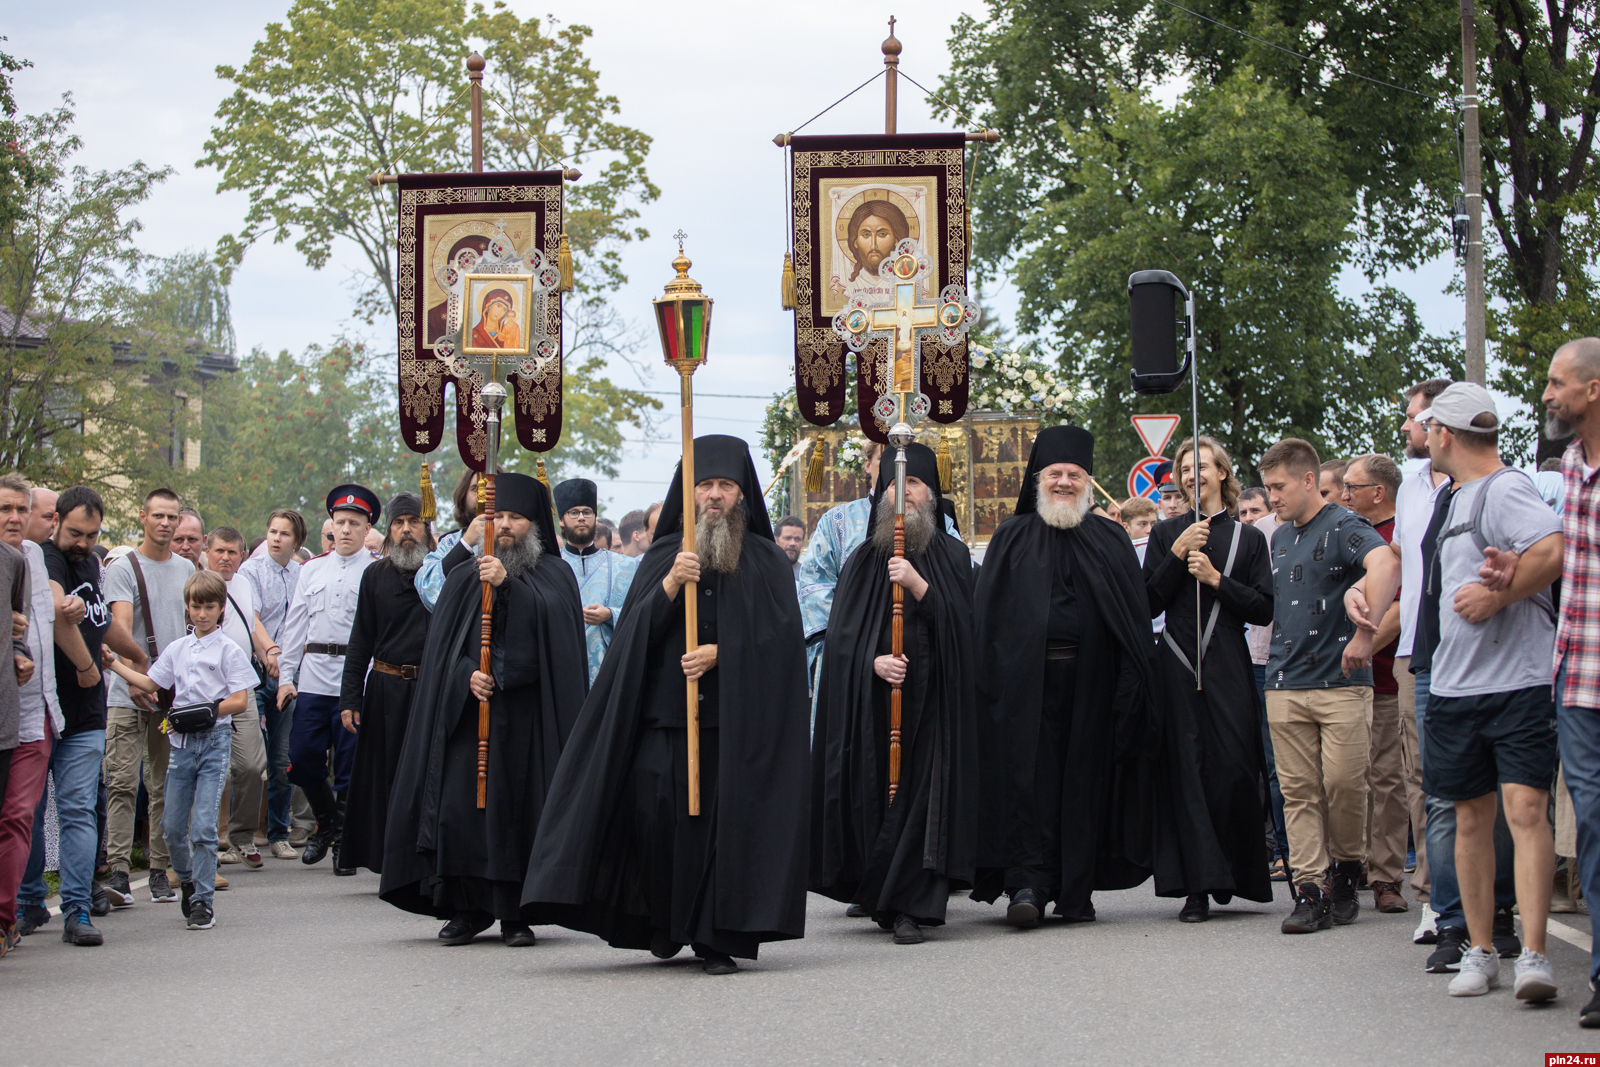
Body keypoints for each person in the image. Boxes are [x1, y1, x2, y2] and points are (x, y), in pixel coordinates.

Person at [522, 436, 810, 975]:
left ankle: (714, 938)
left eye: (726, 486)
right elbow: (632, 636)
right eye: (706, 486)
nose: (716, 496)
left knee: (720, 829)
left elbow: (782, 645)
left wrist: (724, 652)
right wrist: (672, 585)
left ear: (742, 493)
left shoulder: (767, 559)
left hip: (734, 723)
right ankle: (664, 922)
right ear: (690, 492)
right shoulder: (664, 554)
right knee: (657, 821)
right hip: (665, 719)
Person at [382, 474, 586, 947]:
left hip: (526, 721)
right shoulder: (460, 577)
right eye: (498, 517)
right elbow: (441, 655)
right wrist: (464, 676)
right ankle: (467, 908)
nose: (506, 526)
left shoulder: (555, 576)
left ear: (534, 525)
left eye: (516, 518)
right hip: (467, 718)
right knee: (462, 811)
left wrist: (509, 588)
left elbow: (551, 637)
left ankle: (516, 913)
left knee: (518, 814)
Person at [970, 426, 1159, 926]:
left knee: (1083, 784)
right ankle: (1027, 885)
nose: (1064, 482)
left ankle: (1076, 890)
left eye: (1074, 475)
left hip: (1092, 684)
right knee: (1027, 782)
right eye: (1055, 473)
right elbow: (987, 621)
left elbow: (1131, 619)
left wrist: (1129, 688)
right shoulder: (1012, 537)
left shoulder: (1110, 537)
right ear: (1038, 479)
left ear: (1088, 483)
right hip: (1022, 688)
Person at [1411, 383, 1561, 1001]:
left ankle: (1533, 956)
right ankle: (1479, 950)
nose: (1417, 438)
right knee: (1469, 820)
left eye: (1424, 428)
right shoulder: (1453, 495)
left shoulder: (1506, 486)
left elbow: (1553, 548)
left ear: (1445, 434)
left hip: (1518, 683)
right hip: (1452, 685)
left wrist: (1502, 592)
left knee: (1525, 814)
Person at [809, 443, 978, 944]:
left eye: (914, 485)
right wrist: (872, 662)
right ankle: (876, 884)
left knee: (926, 796)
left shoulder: (952, 555)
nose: (902, 496)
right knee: (874, 791)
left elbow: (968, 631)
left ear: (931, 493)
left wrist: (920, 588)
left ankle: (911, 903)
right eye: (891, 487)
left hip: (934, 706)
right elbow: (840, 641)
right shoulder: (863, 559)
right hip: (876, 705)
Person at [1259, 438, 1399, 934]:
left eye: (1278, 487)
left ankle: (1346, 867)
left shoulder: (1345, 525)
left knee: (1343, 785)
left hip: (1341, 681)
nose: (1271, 497)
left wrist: (1368, 631)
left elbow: (1386, 564)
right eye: (1266, 487)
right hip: (1283, 680)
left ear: (1307, 480)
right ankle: (1310, 889)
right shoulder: (1277, 537)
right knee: (1297, 791)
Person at [1143, 436, 1274, 922]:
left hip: (1227, 662)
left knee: (1233, 766)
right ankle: (1195, 885)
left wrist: (1218, 580)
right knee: (1185, 770)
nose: (1192, 475)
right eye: (1183, 468)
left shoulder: (1250, 537)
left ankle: (1231, 873)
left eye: (1201, 466)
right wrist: (1177, 554)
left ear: (1222, 472)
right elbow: (1147, 603)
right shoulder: (1167, 534)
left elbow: (1263, 608)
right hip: (1175, 662)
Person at [106, 571, 258, 932]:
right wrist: (113, 663)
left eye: (209, 607)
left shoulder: (229, 650)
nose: (202, 614)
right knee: (172, 827)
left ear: (221, 609)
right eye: (195, 607)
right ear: (187, 608)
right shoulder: (177, 648)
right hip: (180, 745)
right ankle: (188, 880)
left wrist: (205, 713)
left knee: (203, 826)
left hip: (214, 742)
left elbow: (239, 700)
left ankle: (204, 899)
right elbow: (151, 684)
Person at [18, 487, 125, 946]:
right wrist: (85, 668)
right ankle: (29, 903)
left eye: (92, 534)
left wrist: (142, 660)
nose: (83, 542)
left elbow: (100, 622)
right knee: (29, 812)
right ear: (57, 519)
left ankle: (77, 910)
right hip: (42, 706)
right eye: (76, 532)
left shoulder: (91, 563)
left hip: (86, 715)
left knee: (78, 810)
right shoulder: (43, 557)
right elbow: (61, 614)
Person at [1541, 337, 1600, 1026]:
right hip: (1578, 678)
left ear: (1592, 389)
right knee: (1593, 828)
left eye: (1559, 383)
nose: (1549, 394)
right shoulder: (1572, 467)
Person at [278, 485, 381, 871]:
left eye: (355, 523)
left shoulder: (375, 569)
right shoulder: (311, 569)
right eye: (341, 523)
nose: (347, 530)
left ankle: (343, 841)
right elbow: (295, 625)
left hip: (355, 680)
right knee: (302, 758)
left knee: (350, 769)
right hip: (313, 677)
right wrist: (286, 675)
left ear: (367, 527)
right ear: (332, 526)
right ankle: (327, 824)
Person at [338, 493, 433, 875]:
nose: (406, 530)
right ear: (390, 531)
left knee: (424, 775)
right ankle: (382, 859)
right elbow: (361, 639)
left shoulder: (444, 574)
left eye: (413, 521)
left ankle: (422, 858)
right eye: (398, 523)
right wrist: (351, 698)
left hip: (429, 689)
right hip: (385, 689)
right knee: (384, 776)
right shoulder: (374, 575)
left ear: (427, 527)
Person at [102, 488, 188, 906]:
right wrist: (135, 676)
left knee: (163, 783)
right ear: (142, 517)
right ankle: (119, 868)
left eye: (172, 517)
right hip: (126, 689)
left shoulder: (187, 567)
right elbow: (119, 625)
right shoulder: (122, 567)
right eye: (158, 516)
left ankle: (158, 867)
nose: (166, 524)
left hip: (171, 696)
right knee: (121, 782)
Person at [1392, 379, 1452, 941]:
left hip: (1471, 652)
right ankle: (1437, 898)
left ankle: (1488, 904)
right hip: (1415, 652)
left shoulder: (1481, 482)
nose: (1407, 427)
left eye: (1414, 418)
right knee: (1422, 778)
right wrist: (1363, 604)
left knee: (1466, 783)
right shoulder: (1411, 486)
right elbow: (1398, 560)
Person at [1339, 453, 1412, 915]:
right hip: (1341, 681)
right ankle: (1347, 865)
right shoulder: (1346, 534)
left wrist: (1360, 645)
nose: (1344, 496)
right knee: (1347, 777)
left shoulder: (1399, 538)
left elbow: (1399, 610)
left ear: (1378, 493)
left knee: (1387, 780)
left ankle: (1386, 876)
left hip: (1382, 677)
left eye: (1352, 487)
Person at [205, 527, 277, 871]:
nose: (226, 558)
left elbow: (252, 626)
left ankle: (242, 833)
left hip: (241, 684)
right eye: (220, 550)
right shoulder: (196, 584)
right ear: (208, 551)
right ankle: (213, 839)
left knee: (252, 763)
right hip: (203, 687)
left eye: (233, 552)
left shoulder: (245, 584)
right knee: (211, 766)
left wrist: (269, 652)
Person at [238, 508, 307, 859]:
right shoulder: (250, 570)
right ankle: (242, 834)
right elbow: (251, 619)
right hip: (256, 671)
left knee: (281, 758)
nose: (277, 538)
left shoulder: (302, 574)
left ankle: (279, 831)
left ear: (297, 541)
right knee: (251, 759)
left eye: (284, 533)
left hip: (288, 676)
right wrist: (271, 651)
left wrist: (288, 662)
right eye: (272, 531)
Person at [1238, 486, 1288, 877]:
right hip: (1255, 658)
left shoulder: (1268, 534)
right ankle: (1280, 848)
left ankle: (1302, 851)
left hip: (1295, 661)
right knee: (1267, 763)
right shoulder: (1250, 537)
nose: (1250, 517)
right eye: (1244, 511)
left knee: (1288, 764)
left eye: (1256, 509)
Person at [0, 476, 37, 954]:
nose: (11, 518)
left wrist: (20, 652)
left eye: (17, 510)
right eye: (3, 509)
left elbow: (19, 628)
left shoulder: (14, 562)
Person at [554, 479, 636, 684]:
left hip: (611, 675)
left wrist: (609, 614)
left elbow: (640, 613)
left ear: (595, 518)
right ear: (562, 520)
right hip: (562, 671)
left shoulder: (626, 566)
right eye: (574, 512)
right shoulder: (549, 566)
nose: (581, 517)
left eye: (587, 512)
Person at [415, 467, 500, 610]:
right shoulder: (450, 542)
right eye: (475, 488)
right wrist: (465, 544)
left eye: (491, 487)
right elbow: (428, 588)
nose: (483, 495)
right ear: (463, 496)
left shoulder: (516, 540)